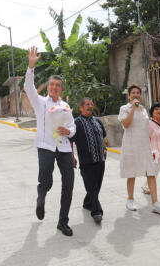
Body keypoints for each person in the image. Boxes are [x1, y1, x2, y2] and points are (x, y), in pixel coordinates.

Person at [25, 46, 76, 237]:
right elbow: (28, 88)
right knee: (46, 180)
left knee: (69, 183)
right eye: (51, 84)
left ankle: (63, 222)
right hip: (45, 146)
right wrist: (31, 67)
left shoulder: (66, 106)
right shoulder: (40, 102)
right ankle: (42, 193)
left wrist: (68, 130)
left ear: (61, 89)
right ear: (48, 87)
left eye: (57, 85)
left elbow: (73, 126)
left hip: (63, 147)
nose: (54, 87)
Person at [119, 84, 160, 213]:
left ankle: (155, 202)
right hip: (130, 145)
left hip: (144, 146)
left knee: (150, 173)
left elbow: (146, 127)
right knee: (132, 173)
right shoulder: (124, 108)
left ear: (140, 95)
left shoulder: (144, 109)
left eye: (138, 93)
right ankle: (130, 200)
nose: (136, 95)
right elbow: (126, 124)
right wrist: (133, 109)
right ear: (129, 96)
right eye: (133, 93)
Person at [70, 97, 108, 224]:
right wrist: (72, 156)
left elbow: (103, 136)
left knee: (96, 187)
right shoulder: (76, 123)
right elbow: (70, 140)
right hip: (86, 162)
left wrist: (104, 148)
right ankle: (97, 211)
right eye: (87, 104)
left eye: (91, 104)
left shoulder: (97, 120)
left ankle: (88, 203)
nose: (90, 106)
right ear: (81, 108)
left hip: (100, 160)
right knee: (91, 187)